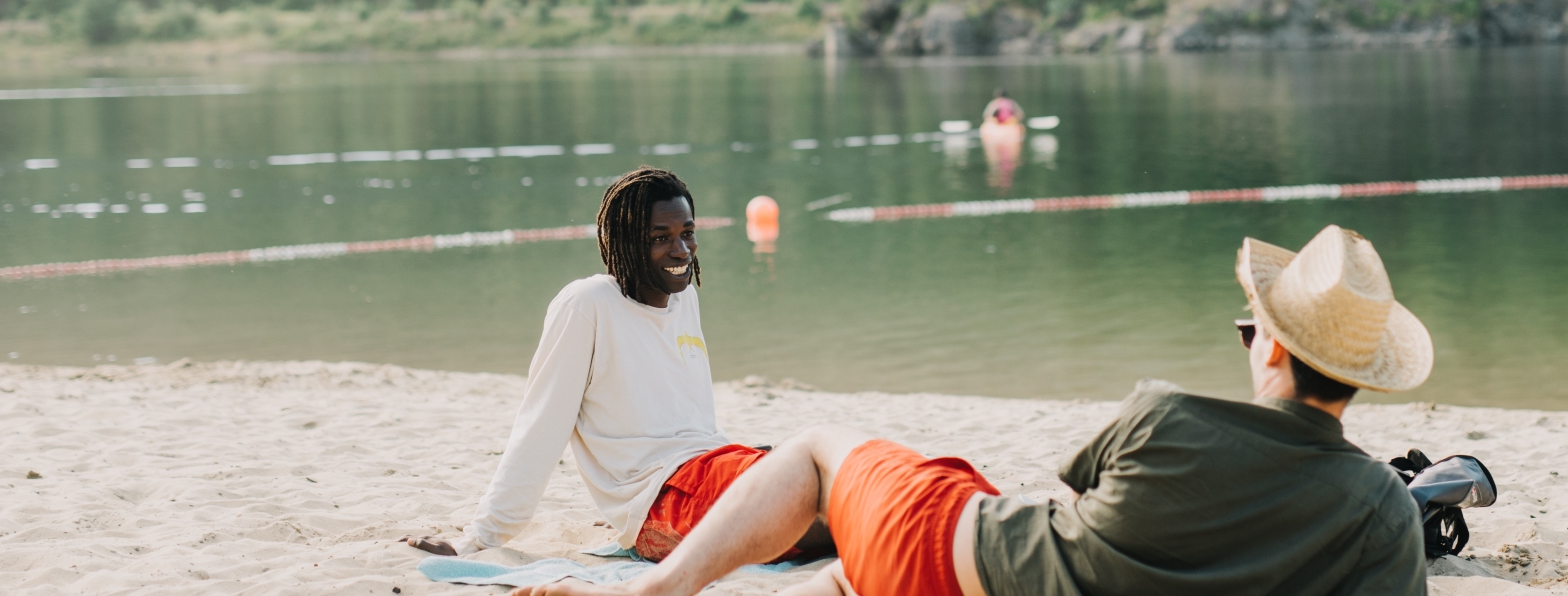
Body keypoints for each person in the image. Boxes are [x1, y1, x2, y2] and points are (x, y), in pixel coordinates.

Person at [517, 224, 1431, 596]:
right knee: (851, 572)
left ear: (1269, 344)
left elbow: (1071, 494)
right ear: (1362, 380)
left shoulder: (1168, 417)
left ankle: (654, 592)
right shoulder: (1383, 511)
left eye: (1249, 328)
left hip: (958, 563)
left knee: (819, 450)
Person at [405, 167, 822, 563]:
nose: (681, 250)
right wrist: (480, 539)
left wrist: (749, 461)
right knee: (826, 505)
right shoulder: (587, 306)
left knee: (836, 465)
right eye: (661, 237)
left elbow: (693, 422)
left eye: (688, 233)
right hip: (660, 499)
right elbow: (540, 427)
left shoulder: (684, 298)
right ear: (625, 241)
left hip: (713, 469)